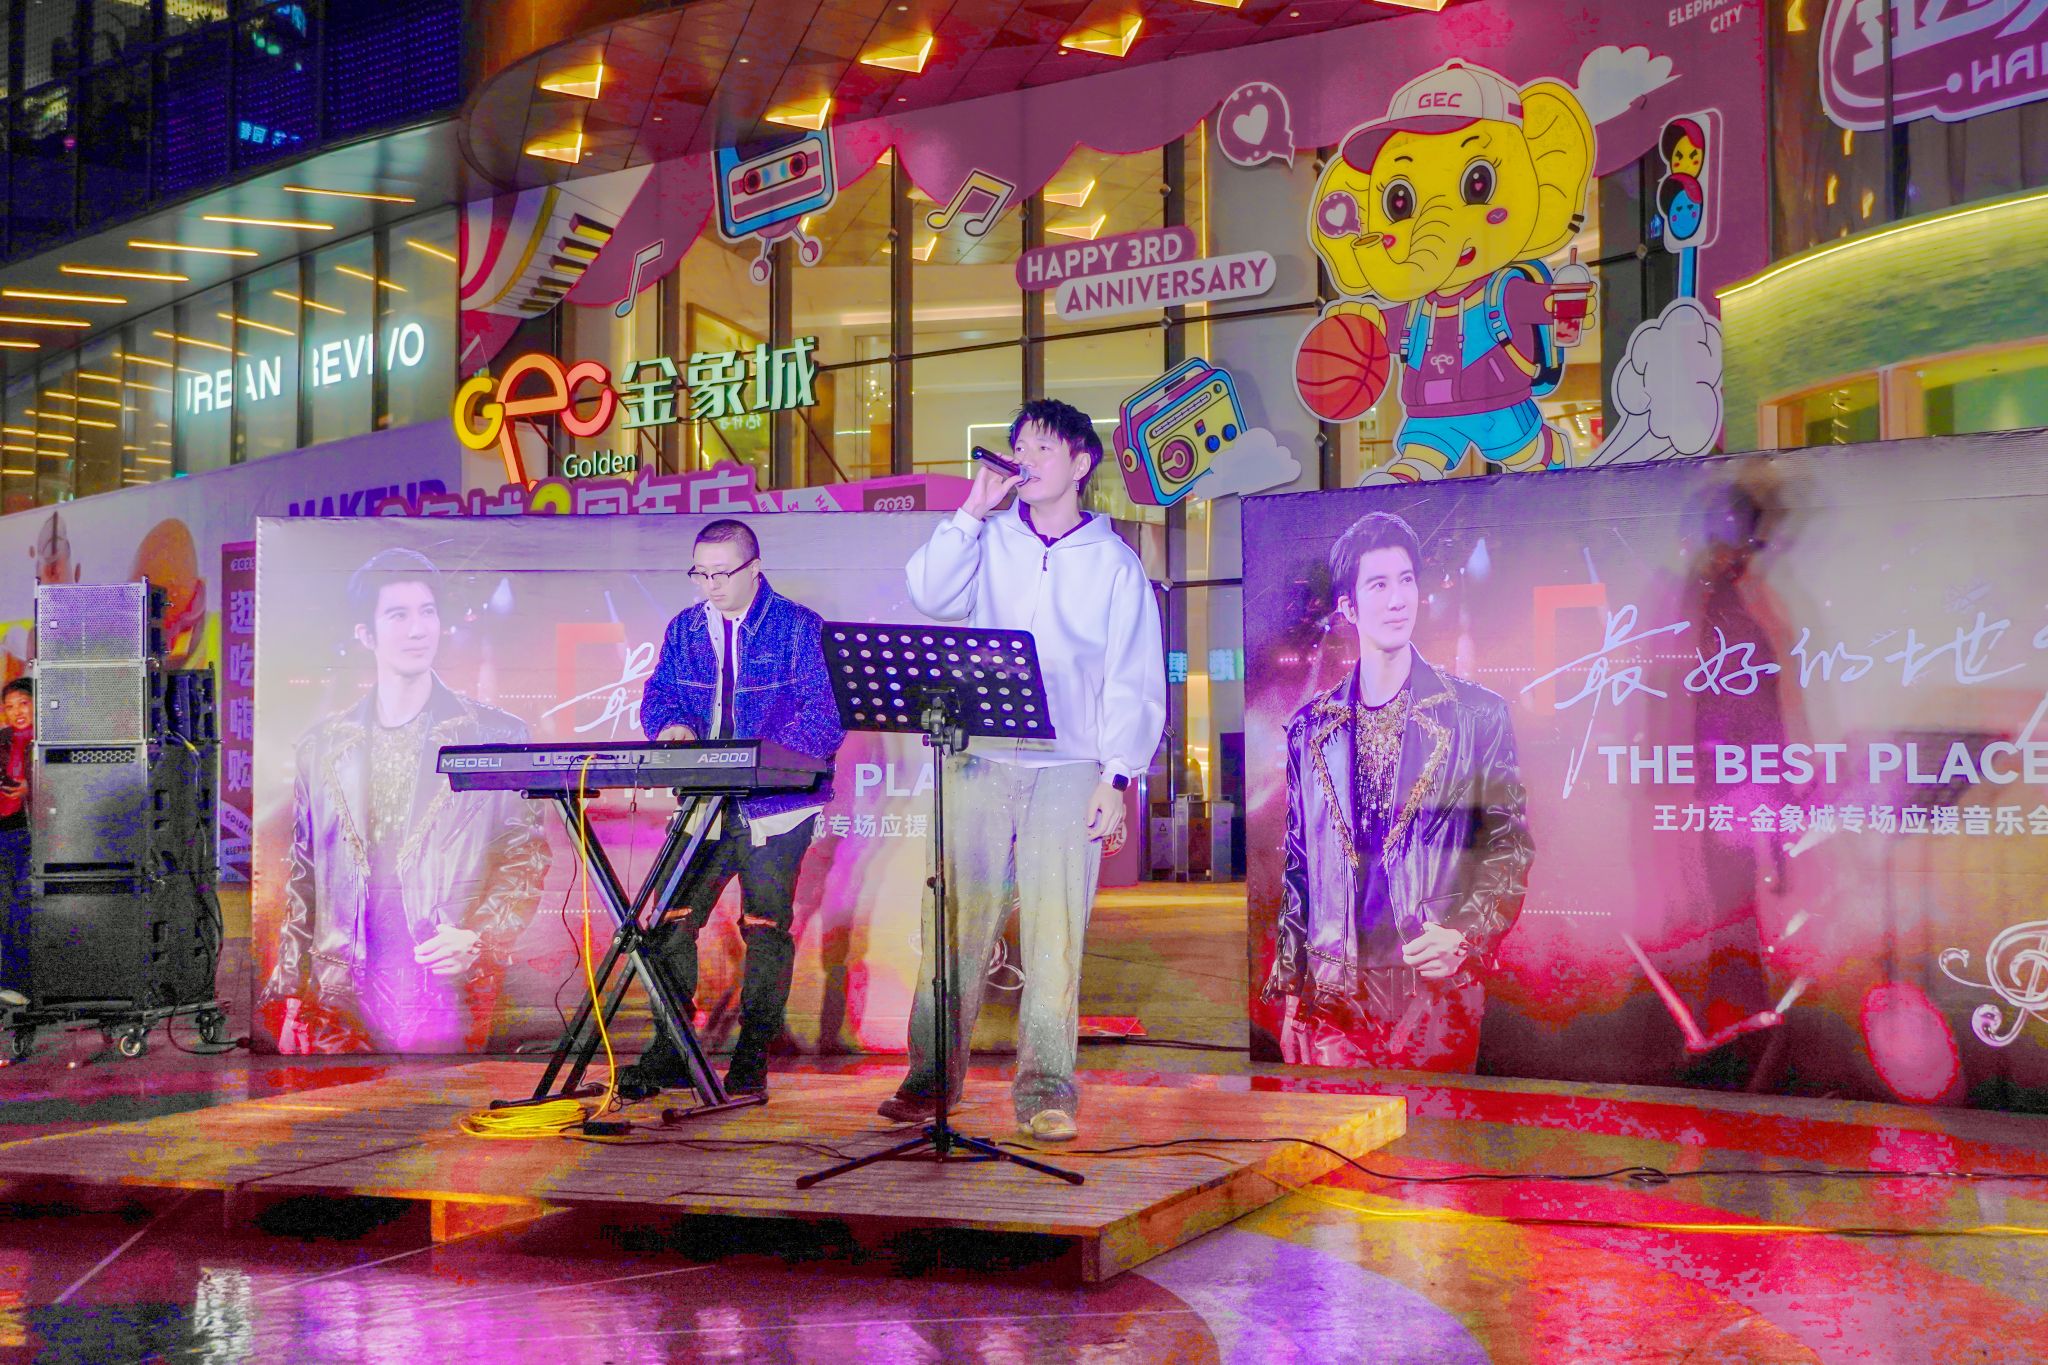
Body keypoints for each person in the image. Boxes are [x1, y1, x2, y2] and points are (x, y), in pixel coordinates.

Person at [885, 398, 1166, 1142]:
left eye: (1044, 448)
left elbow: (1134, 678)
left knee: (1054, 934)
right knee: (951, 923)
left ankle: (1047, 1088)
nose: (1027, 459)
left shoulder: (1115, 563)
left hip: (1068, 765)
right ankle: (928, 1078)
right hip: (978, 758)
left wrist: (1117, 775)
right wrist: (971, 511)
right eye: (1019, 446)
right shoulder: (988, 539)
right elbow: (929, 593)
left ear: (1081, 462)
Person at [1262, 511, 1533, 1073]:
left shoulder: (1477, 715)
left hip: (1434, 995)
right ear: (1349, 607)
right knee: (1341, 1129)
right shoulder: (1310, 729)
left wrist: (1465, 935)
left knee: (1434, 1131)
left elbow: (1507, 847)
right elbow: (1300, 867)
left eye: (1406, 580)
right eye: (1379, 584)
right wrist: (1290, 990)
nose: (1397, 600)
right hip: (1335, 999)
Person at [260, 548, 551, 1053]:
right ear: (366, 634)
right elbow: (304, 874)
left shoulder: (495, 736)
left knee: (439, 1101)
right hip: (338, 996)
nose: (418, 630)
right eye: (398, 615)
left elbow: (523, 856)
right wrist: (290, 992)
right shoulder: (323, 746)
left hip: (442, 987)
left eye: (427, 612)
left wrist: (479, 937)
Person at [620, 519, 845, 1100]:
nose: (710, 586)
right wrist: (671, 727)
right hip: (703, 802)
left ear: (754, 569)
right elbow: (660, 695)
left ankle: (752, 1056)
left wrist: (757, 764)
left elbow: (825, 717)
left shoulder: (799, 627)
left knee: (765, 927)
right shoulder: (685, 628)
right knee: (668, 921)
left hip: (775, 808)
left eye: (721, 574)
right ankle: (672, 1049)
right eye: (700, 573)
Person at [0, 679, 34, 1009]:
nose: (16, 712)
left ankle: (23, 983)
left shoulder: (47, 741)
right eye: (9, 706)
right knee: (6, 909)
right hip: (4, 831)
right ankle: (9, 985)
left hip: (33, 833)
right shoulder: (2, 740)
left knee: (24, 908)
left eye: (23, 703)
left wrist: (31, 789)